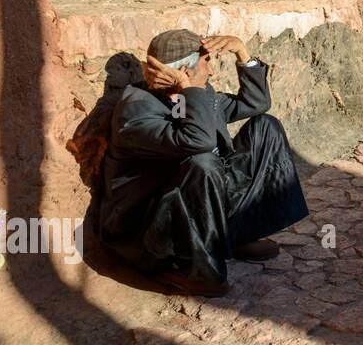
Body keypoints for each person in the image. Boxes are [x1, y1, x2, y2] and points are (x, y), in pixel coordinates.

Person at [96, 29, 309, 297]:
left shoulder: (193, 97)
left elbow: (256, 103)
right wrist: (188, 89)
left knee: (266, 127)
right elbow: (199, 142)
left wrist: (242, 52)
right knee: (203, 162)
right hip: (151, 228)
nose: (212, 73)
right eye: (206, 62)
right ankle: (192, 269)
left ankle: (235, 235)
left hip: (198, 201)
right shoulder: (137, 111)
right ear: (185, 69)